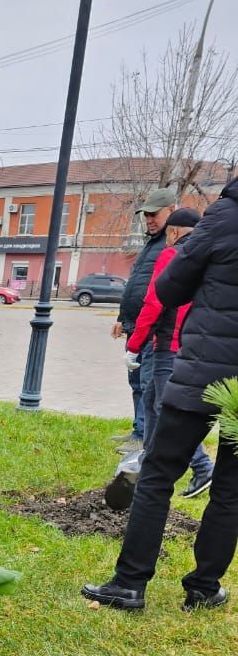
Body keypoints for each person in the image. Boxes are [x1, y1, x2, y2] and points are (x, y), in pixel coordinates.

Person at [81, 176, 238, 612]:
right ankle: (205, 587)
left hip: (203, 369)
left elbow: (169, 286)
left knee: (157, 473)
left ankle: (130, 583)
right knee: (231, 490)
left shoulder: (224, 217)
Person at [125, 206, 214, 496]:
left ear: (173, 232)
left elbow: (154, 302)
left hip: (167, 345)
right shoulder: (207, 258)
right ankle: (148, 460)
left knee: (165, 406)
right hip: (193, 343)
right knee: (152, 401)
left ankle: (202, 467)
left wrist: (134, 345)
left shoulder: (172, 255)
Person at [111, 186, 177, 449]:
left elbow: (157, 292)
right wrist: (122, 318)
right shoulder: (151, 244)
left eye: (154, 214)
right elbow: (135, 286)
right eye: (146, 215)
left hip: (153, 328)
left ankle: (145, 438)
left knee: (149, 385)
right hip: (135, 325)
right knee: (136, 381)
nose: (149, 219)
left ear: (171, 211)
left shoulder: (171, 245)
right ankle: (138, 430)